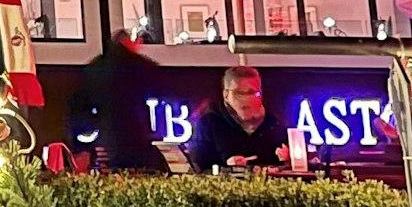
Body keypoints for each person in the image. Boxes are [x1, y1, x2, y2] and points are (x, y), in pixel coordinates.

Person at [78, 31, 168, 172]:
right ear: (127, 43)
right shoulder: (141, 66)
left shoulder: (94, 69)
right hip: (136, 135)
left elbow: (80, 105)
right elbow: (160, 89)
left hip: (107, 137)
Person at [188, 65, 289, 172]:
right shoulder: (208, 123)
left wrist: (288, 159)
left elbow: (295, 166)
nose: (246, 98)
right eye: (238, 93)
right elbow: (198, 169)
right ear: (226, 95)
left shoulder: (275, 122)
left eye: (252, 92)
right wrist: (228, 168)